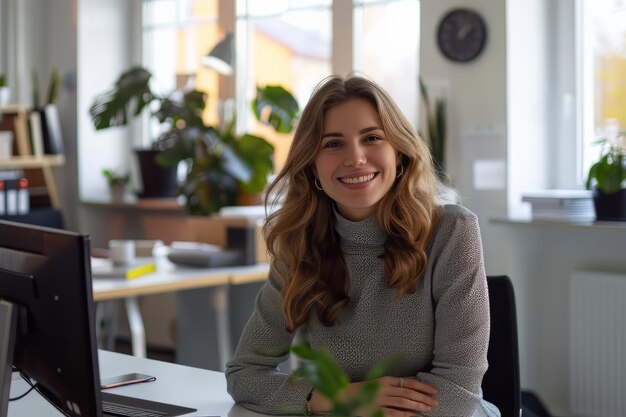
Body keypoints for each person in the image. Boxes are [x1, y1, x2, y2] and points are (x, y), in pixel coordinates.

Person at [225, 73, 500, 417]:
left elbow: (458, 394)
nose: (355, 158)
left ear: (399, 152)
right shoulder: (301, 243)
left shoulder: (452, 232)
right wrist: (341, 399)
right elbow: (244, 375)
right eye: (333, 143)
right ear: (312, 165)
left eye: (372, 138)